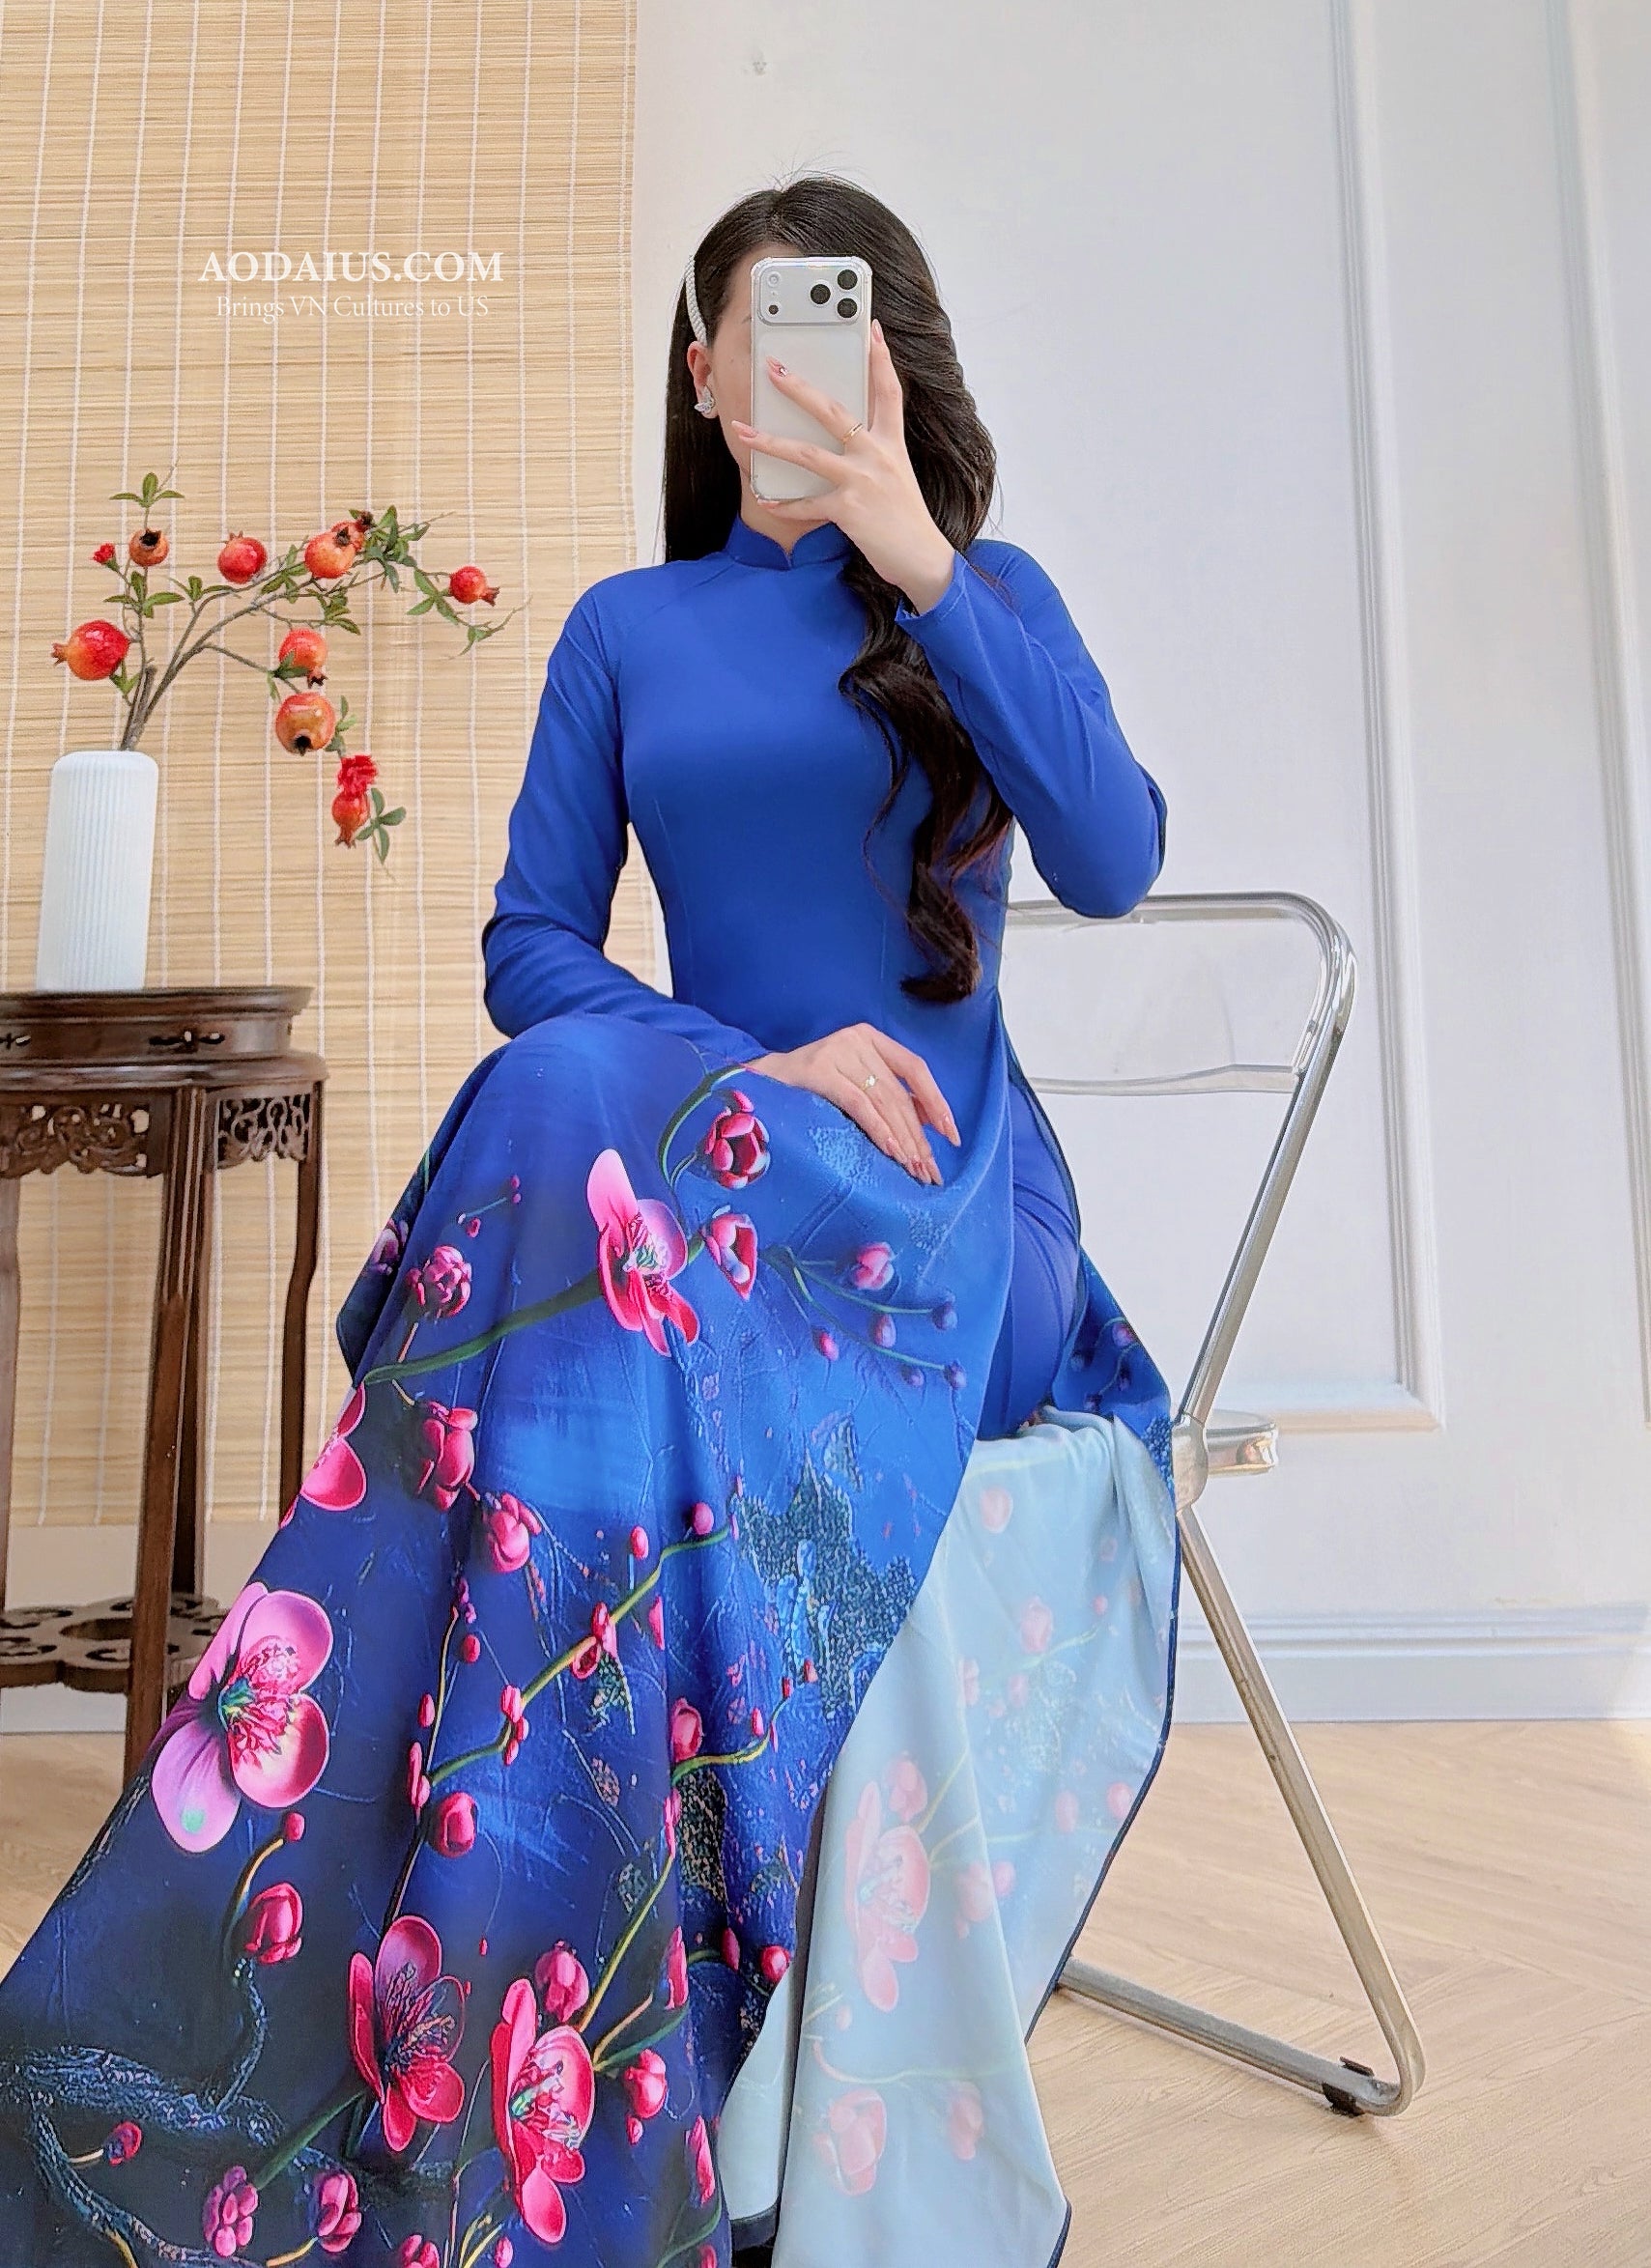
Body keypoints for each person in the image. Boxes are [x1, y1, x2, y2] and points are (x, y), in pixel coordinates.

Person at [0, 175, 1176, 2267]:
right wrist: (754, 1065)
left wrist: (916, 549)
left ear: (885, 359)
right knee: (562, 1091)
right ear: (702, 376)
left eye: (830, 329)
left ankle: (520, 1985)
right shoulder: (630, 628)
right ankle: (491, 1972)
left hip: (934, 1220)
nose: (786, 372)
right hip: (704, 1196)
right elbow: (530, 948)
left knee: (564, 1126)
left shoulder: (985, 593)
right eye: (750, 336)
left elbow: (1114, 854)